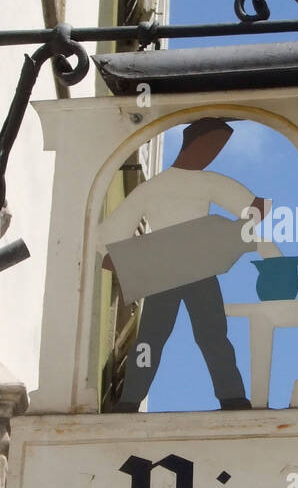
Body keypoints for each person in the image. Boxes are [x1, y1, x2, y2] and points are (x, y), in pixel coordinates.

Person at [96, 118, 268, 411]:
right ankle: (129, 401)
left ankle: (232, 398)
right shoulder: (155, 188)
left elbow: (257, 208)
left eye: (218, 149)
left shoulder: (208, 182)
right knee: (151, 339)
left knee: (212, 335)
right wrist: (129, 260)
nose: (213, 154)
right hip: (166, 271)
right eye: (211, 147)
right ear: (193, 145)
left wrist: (225, 237)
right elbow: (109, 235)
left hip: (199, 269)